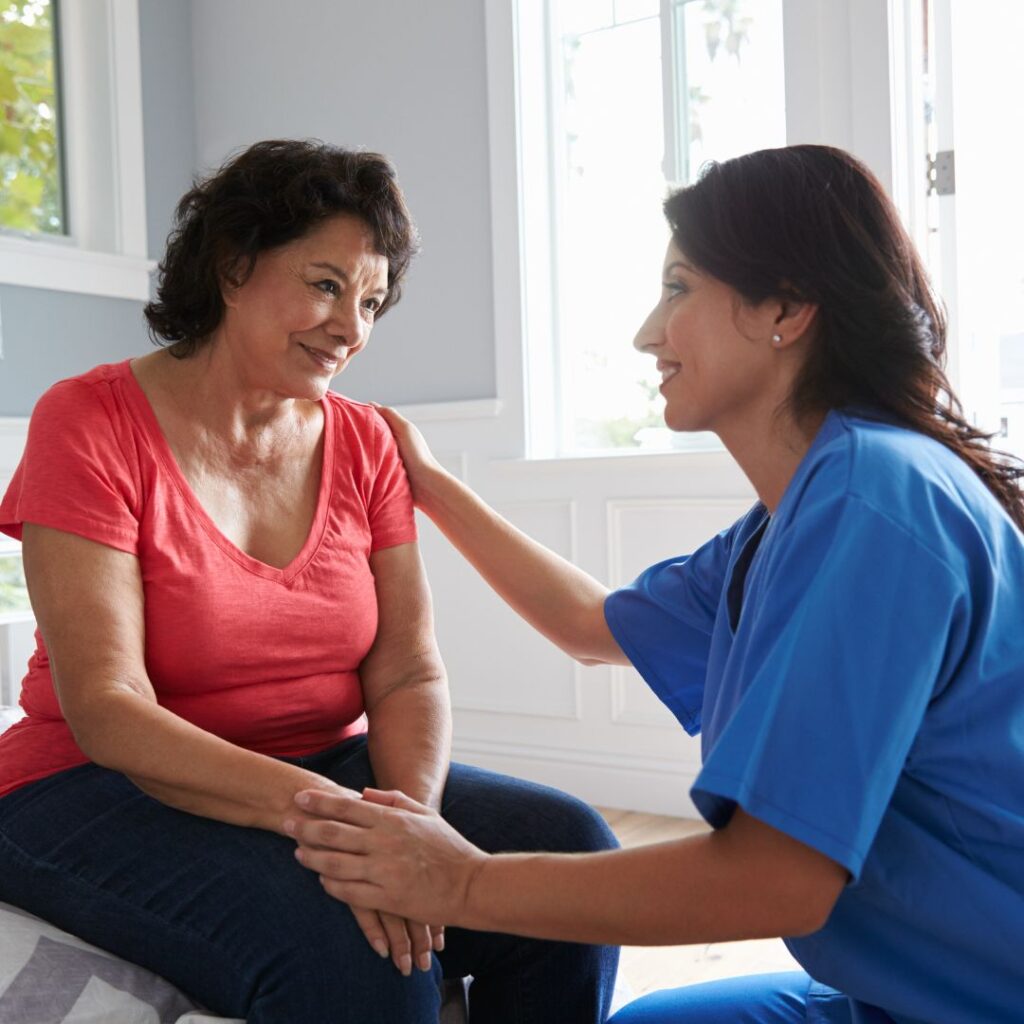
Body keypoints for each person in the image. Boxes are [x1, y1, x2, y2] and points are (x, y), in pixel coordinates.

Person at [285, 145, 1024, 1024]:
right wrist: (434, 483)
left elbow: (773, 882)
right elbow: (589, 622)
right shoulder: (796, 516)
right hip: (892, 990)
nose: (647, 332)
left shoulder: (875, 505)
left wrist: (462, 882)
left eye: (678, 289)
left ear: (784, 307)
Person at [0, 139, 619, 1023]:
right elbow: (107, 705)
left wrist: (408, 827)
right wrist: (342, 824)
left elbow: (406, 668)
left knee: (574, 860)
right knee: (359, 959)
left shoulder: (364, 440)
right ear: (233, 266)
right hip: (92, 787)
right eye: (327, 285)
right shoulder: (89, 420)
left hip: (322, 764)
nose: (352, 328)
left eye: (371, 301)